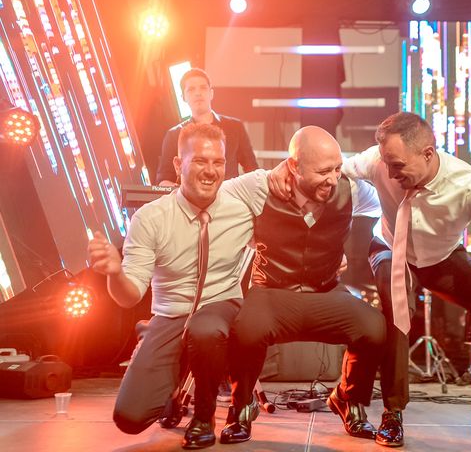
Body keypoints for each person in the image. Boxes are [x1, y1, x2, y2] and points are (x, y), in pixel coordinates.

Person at [270, 112, 471, 448]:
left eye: (398, 165)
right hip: (389, 247)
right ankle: (392, 411)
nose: (388, 172)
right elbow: (330, 166)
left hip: (440, 257)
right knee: (398, 312)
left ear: (428, 154)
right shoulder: (377, 160)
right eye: (386, 162)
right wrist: (283, 170)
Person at [88, 123, 268, 449]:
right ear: (177, 165)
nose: (210, 171)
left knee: (207, 329)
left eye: (218, 162)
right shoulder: (151, 218)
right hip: (170, 314)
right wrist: (114, 273)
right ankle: (163, 353)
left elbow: (293, 185)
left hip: (221, 308)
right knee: (129, 417)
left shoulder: (242, 207)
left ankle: (204, 416)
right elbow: (129, 296)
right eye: (200, 161)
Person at [219, 126, 387, 445]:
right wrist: (244, 246)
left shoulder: (352, 189)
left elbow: (388, 203)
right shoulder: (259, 186)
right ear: (294, 166)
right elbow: (215, 196)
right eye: (323, 171)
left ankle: (347, 399)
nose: (332, 178)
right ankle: (241, 408)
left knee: (373, 326)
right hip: (272, 293)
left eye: (337, 169)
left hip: (325, 291)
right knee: (244, 328)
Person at [156, 67, 258, 185]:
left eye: (203, 88)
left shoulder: (235, 127)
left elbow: (253, 170)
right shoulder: (174, 135)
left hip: (228, 199)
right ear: (183, 97)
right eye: (191, 90)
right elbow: (163, 179)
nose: (198, 93)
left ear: (211, 93)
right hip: (190, 201)